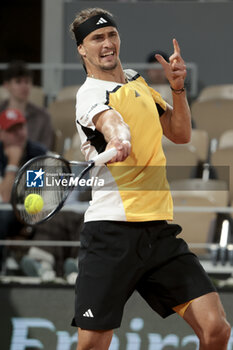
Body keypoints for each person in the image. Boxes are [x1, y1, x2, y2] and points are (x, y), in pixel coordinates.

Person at [69, 8, 230, 350]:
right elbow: (110, 120)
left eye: (111, 34)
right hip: (111, 233)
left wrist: (177, 89)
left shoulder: (136, 80)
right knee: (92, 345)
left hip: (158, 231)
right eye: (97, 38)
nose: (107, 43)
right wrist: (117, 138)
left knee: (216, 329)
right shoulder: (89, 95)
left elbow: (181, 133)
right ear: (82, 49)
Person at [0, 108, 47, 270]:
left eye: (21, 127)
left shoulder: (37, 153)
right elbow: (5, 198)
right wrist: (13, 163)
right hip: (6, 211)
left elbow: (34, 193)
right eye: (12, 130)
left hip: (31, 209)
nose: (19, 133)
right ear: (2, 134)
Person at [0, 61, 54, 150]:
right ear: (7, 85)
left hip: (33, 161)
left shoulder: (43, 116)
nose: (24, 86)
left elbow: (46, 149)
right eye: (18, 82)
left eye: (27, 82)